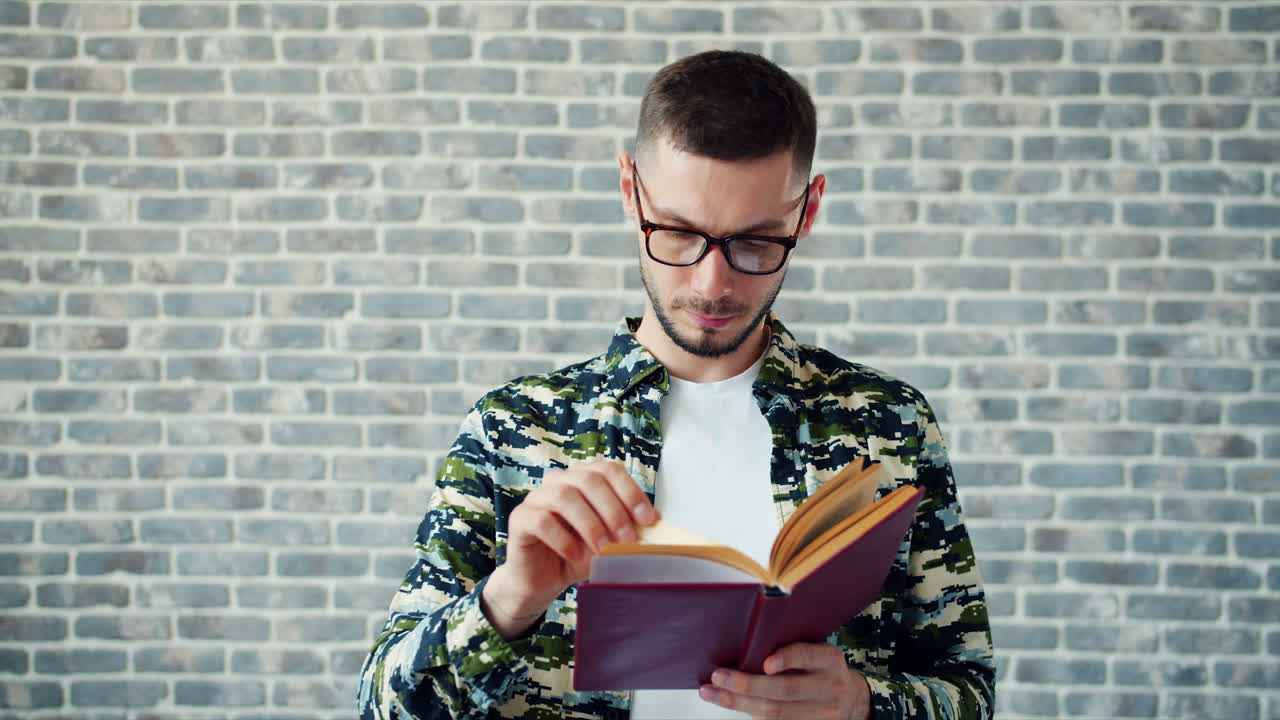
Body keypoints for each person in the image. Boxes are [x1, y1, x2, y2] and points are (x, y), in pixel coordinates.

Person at [357, 50, 995, 720]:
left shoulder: (888, 423)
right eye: (679, 232)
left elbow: (969, 691)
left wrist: (866, 705)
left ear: (806, 213)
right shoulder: (513, 427)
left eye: (755, 244)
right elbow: (383, 708)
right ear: (632, 192)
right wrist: (510, 598)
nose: (710, 284)